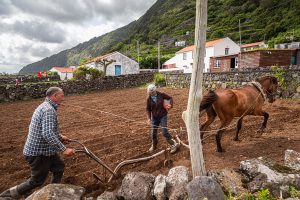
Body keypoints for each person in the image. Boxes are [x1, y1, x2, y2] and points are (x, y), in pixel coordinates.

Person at [0, 87, 75, 199]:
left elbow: (46, 130)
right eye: (62, 96)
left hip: (46, 150)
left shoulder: (45, 106)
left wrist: (60, 137)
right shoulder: (49, 110)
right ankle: (7, 195)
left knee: (58, 167)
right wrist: (64, 149)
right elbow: (47, 134)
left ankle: (53, 192)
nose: (63, 98)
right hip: (38, 153)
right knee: (36, 180)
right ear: (54, 96)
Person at [146, 84, 178, 154]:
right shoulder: (149, 99)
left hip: (163, 116)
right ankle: (154, 145)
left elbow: (170, 98)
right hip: (154, 118)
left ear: (155, 91)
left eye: (152, 92)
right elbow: (148, 109)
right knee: (153, 133)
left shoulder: (161, 95)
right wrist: (149, 118)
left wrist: (170, 105)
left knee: (164, 132)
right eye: (150, 93)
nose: (151, 94)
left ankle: (173, 144)